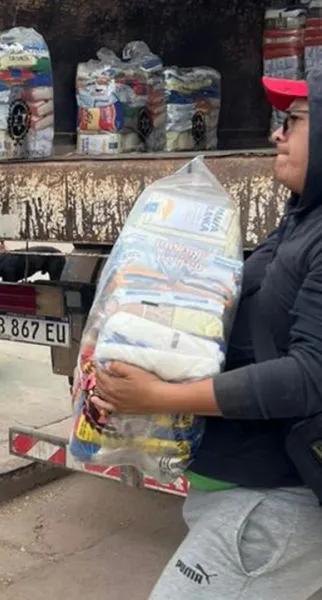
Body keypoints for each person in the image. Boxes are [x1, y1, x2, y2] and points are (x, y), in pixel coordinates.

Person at [91, 75, 322, 600]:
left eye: (293, 122)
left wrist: (159, 397)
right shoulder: (300, 218)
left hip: (274, 500)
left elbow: (310, 375)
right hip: (239, 486)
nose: (277, 135)